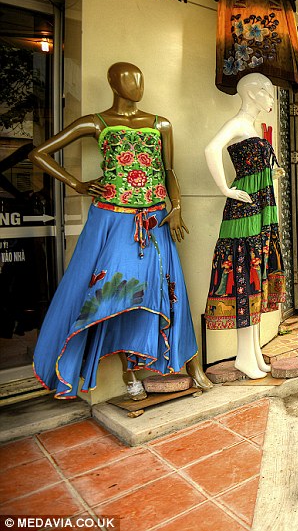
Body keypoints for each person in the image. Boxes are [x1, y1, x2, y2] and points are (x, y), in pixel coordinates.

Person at [28, 62, 211, 399]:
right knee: (113, 291)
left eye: (140, 78)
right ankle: (129, 371)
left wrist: (177, 207)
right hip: (113, 219)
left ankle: (190, 363)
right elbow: (40, 153)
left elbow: (168, 169)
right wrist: (77, 184)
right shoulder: (96, 122)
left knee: (168, 288)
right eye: (129, 79)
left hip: (155, 220)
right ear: (113, 82)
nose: (136, 85)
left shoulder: (160, 123)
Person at [204, 72, 286, 380]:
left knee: (255, 277)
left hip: (260, 209)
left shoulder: (249, 128)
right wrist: (225, 188)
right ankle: (243, 356)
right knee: (244, 276)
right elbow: (211, 149)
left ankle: (251, 354)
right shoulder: (237, 124)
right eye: (267, 93)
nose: (270, 99)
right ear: (253, 94)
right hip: (244, 212)